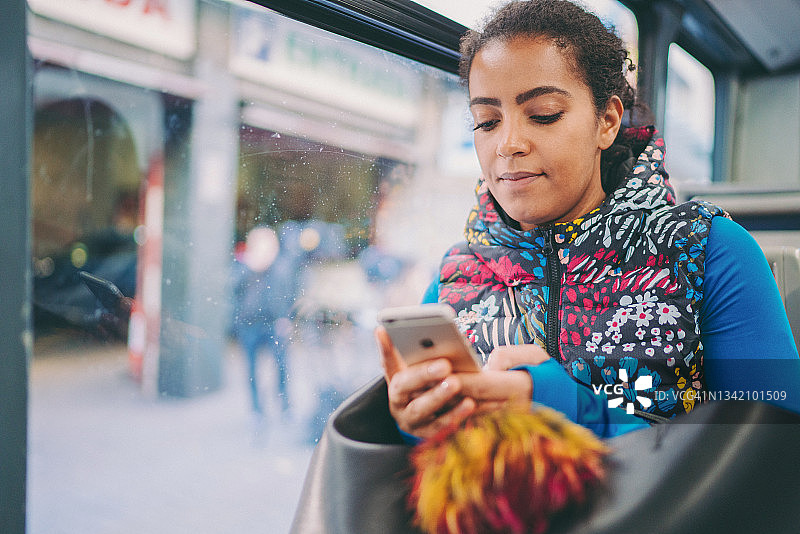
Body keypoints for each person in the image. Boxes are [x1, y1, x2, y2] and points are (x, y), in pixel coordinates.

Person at [376, 0, 800, 442]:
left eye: (543, 115)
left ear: (607, 121)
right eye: (487, 121)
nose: (508, 143)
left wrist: (566, 408)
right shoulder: (453, 280)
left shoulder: (707, 252)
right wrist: (417, 426)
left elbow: (773, 455)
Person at [231, 225, 293, 417]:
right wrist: (250, 268)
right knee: (251, 370)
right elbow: (233, 292)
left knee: (281, 366)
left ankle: (284, 404)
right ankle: (256, 409)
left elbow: (288, 294)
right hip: (249, 324)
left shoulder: (281, 267)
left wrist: (286, 318)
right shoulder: (243, 268)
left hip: (274, 323)